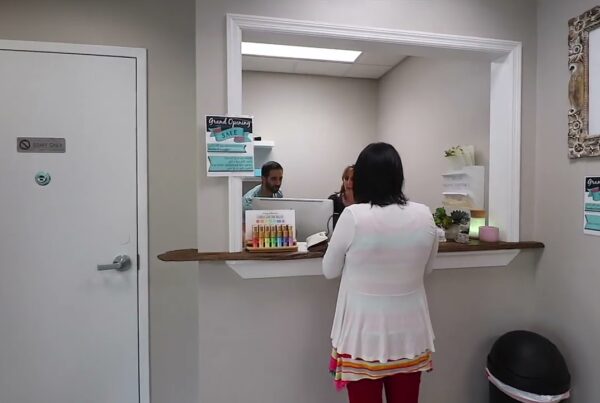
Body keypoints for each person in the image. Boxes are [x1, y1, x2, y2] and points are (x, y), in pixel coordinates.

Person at [323, 142, 438, 403]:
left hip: (363, 335)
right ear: (398, 176)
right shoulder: (424, 214)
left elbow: (329, 270)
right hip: (410, 334)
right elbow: (428, 268)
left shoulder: (353, 216)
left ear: (361, 178)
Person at [328, 165, 355, 229]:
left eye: (353, 179)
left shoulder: (364, 203)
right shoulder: (333, 200)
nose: (349, 182)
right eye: (346, 178)